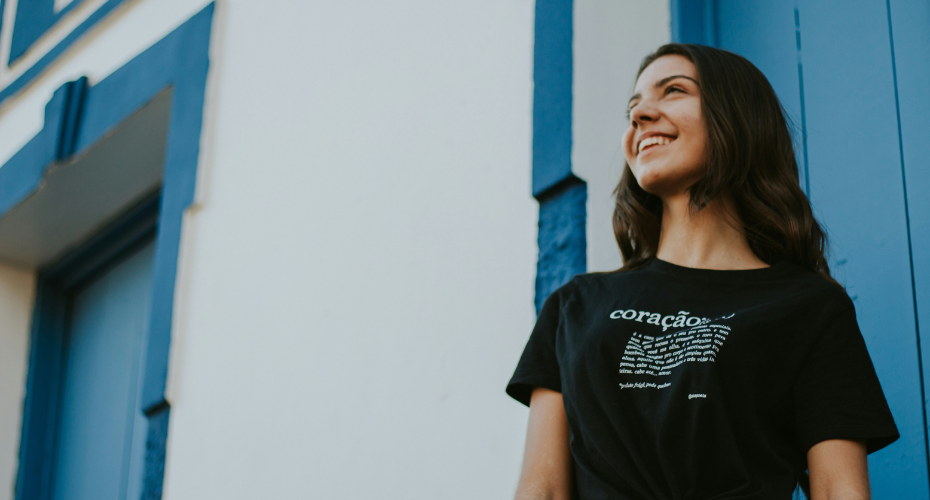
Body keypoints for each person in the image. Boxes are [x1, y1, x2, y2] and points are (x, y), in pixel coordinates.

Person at [506, 43, 899, 500]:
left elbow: (839, 491)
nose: (640, 116)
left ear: (737, 117)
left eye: (673, 91)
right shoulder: (573, 306)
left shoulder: (811, 307)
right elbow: (542, 491)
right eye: (632, 108)